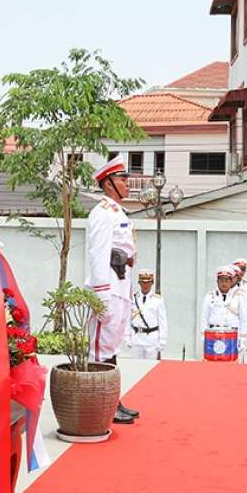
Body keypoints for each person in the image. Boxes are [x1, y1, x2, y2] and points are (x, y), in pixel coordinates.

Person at [85, 155, 139, 424]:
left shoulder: (117, 212)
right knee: (100, 351)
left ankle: (111, 402)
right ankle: (100, 405)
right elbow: (98, 256)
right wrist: (101, 296)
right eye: (122, 179)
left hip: (120, 285)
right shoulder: (102, 214)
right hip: (108, 287)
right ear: (108, 184)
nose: (127, 183)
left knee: (112, 347)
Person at [201, 265, 247, 362]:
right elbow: (204, 318)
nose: (224, 283)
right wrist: (203, 337)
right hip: (213, 335)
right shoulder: (210, 296)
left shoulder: (239, 297)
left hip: (232, 337)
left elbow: (243, 319)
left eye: (227, 280)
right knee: (212, 365)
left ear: (231, 282)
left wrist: (242, 339)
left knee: (231, 365)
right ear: (217, 281)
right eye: (221, 280)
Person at [125, 269, 168, 360]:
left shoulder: (158, 300)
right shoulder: (133, 298)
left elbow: (163, 322)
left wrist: (162, 340)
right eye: (143, 282)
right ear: (139, 283)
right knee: (136, 368)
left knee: (150, 368)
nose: (145, 285)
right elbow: (128, 318)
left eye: (148, 282)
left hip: (151, 340)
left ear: (152, 283)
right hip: (136, 338)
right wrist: (127, 336)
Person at [232, 258, 247, 363]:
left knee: (242, 348)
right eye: (239, 268)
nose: (241, 272)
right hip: (231, 320)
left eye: (243, 269)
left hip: (243, 323)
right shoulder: (228, 283)